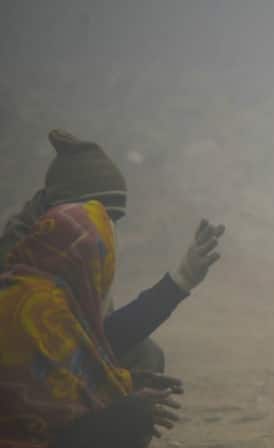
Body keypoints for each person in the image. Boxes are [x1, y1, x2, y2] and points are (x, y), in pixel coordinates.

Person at [0, 201, 197, 448]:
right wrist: (130, 404)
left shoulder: (29, 286)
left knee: (137, 383)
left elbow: (80, 366)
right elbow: (60, 406)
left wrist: (132, 383)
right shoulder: (41, 307)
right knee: (134, 417)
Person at [0, 129, 222, 374]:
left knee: (144, 354)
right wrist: (118, 395)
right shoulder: (22, 266)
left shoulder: (72, 248)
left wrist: (181, 280)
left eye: (113, 221)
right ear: (66, 211)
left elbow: (102, 336)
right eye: (99, 218)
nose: (107, 230)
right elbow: (61, 357)